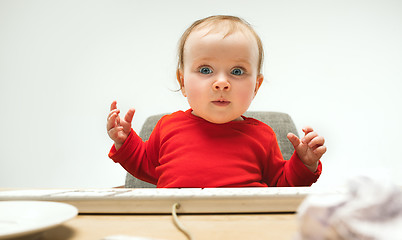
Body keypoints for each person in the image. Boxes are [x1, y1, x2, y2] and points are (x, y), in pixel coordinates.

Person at [107, 15, 326, 188]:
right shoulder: (167, 127)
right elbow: (144, 164)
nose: (222, 83)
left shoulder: (263, 136)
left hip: (244, 225)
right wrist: (125, 142)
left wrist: (305, 163)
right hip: (177, 222)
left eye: (237, 71)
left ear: (256, 87)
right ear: (182, 82)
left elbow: (282, 184)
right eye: (205, 70)